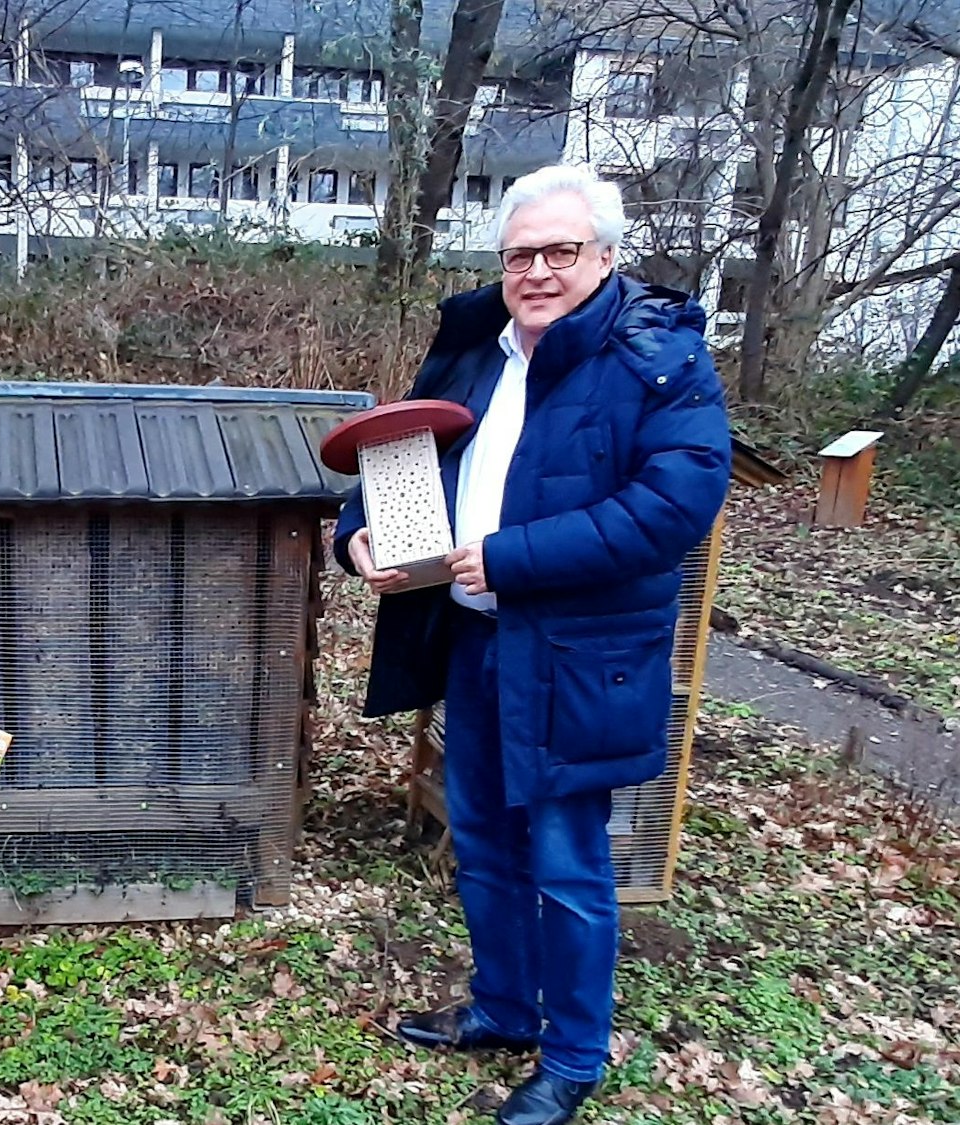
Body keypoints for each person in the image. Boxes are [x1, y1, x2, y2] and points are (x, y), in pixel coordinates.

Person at [334, 165, 731, 1125]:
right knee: (482, 839)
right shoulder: (476, 348)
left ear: (604, 255)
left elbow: (675, 504)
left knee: (567, 858)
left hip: (581, 656)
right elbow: (403, 462)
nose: (539, 271)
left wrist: (509, 557)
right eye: (521, 254)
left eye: (561, 251)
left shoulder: (656, 357)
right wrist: (359, 534)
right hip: (475, 643)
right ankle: (506, 1007)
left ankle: (575, 1054)